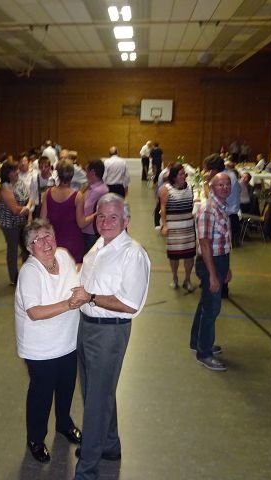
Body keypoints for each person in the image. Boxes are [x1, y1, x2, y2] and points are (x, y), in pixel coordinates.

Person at [70, 193, 151, 480]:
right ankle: (109, 444)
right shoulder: (98, 246)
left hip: (109, 332)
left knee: (95, 402)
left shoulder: (132, 254)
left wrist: (90, 296)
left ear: (126, 220)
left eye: (113, 217)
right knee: (97, 391)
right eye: (101, 216)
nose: (105, 222)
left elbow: (129, 304)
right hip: (87, 326)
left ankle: (87, 470)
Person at [14, 220, 83, 464]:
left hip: (68, 341)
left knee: (66, 387)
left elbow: (76, 279)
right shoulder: (30, 272)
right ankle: (35, 438)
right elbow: (34, 312)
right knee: (41, 394)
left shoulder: (63, 256)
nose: (46, 243)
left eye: (48, 235)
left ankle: (64, 423)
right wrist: (69, 304)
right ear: (29, 248)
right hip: (40, 348)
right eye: (38, 240)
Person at [190, 171, 233, 371]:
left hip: (220, 260)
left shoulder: (222, 206)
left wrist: (227, 267)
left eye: (227, 184)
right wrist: (213, 275)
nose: (225, 188)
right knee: (212, 309)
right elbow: (205, 244)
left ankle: (197, 342)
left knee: (205, 303)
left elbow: (223, 240)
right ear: (212, 187)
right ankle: (204, 353)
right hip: (210, 262)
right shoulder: (208, 210)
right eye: (220, 185)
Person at [159, 163, 197, 291]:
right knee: (174, 255)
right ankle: (175, 278)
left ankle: (187, 279)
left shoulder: (190, 188)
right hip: (174, 228)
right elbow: (163, 208)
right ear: (174, 176)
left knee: (189, 255)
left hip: (188, 228)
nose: (184, 176)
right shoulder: (166, 189)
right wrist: (164, 225)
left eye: (184, 174)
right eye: (181, 174)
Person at [41, 159, 85, 263]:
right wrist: (95, 214)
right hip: (73, 242)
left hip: (54, 241)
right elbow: (81, 223)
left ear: (57, 174)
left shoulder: (48, 193)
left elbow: (43, 220)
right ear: (72, 175)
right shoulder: (78, 196)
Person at [0, 160, 32, 285]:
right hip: (10, 224)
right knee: (13, 250)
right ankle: (14, 278)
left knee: (26, 248)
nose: (17, 172)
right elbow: (14, 209)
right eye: (14, 170)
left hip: (22, 221)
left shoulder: (19, 182)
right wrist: (27, 208)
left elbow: (30, 197)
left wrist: (27, 207)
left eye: (17, 169)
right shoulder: (5, 188)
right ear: (8, 174)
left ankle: (27, 274)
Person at [78, 159, 108, 253]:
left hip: (90, 233)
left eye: (86, 171)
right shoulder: (92, 187)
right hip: (88, 231)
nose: (85, 174)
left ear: (92, 172)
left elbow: (84, 210)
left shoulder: (98, 191)